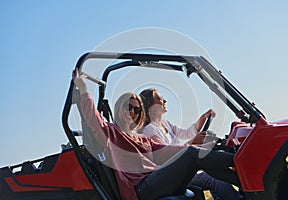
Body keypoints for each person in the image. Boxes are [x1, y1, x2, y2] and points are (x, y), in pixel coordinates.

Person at [72, 69, 240, 200]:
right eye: (128, 106)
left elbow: (168, 152)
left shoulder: (143, 139)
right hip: (140, 190)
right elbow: (94, 120)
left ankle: (248, 184)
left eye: (137, 109)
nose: (132, 112)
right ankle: (243, 160)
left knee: (195, 160)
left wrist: (200, 146)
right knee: (192, 156)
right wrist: (83, 89)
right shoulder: (111, 133)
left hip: (154, 180)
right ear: (119, 108)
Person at [139, 88, 242, 200]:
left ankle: (244, 186)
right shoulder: (149, 130)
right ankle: (241, 169)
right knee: (213, 180)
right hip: (174, 172)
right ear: (151, 105)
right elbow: (166, 156)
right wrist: (193, 142)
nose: (165, 101)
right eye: (160, 99)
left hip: (183, 165)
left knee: (212, 166)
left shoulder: (165, 123)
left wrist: (203, 118)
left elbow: (186, 133)